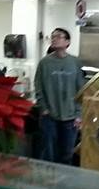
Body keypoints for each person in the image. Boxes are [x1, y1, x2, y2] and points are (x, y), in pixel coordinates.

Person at [34, 28, 84, 165]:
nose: (54, 39)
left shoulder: (75, 62)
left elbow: (81, 89)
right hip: (49, 116)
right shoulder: (44, 63)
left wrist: (79, 114)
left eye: (58, 36)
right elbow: (38, 87)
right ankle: (49, 178)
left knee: (67, 154)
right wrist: (43, 108)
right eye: (53, 36)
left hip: (70, 117)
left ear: (67, 42)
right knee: (49, 154)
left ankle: (64, 179)